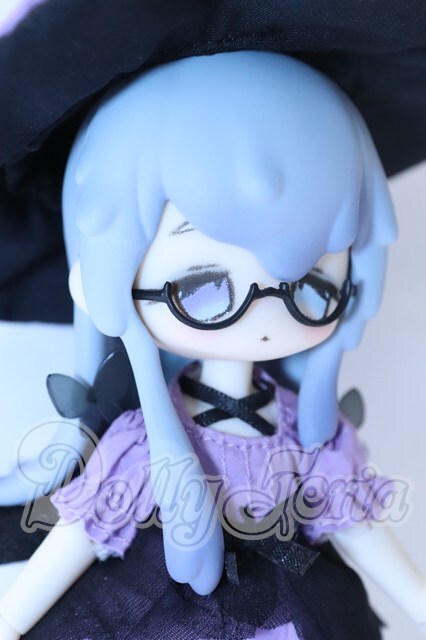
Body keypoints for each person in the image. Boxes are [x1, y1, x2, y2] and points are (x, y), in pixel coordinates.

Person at [0, 51, 424, 640]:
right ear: (101, 282)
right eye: (202, 288)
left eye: (312, 286)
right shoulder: (140, 444)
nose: (266, 313)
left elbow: (355, 524)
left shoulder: (308, 435)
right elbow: (80, 535)